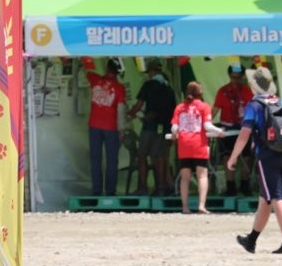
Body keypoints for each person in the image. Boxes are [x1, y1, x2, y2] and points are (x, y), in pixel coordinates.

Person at [227, 66, 282, 254]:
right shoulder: (279, 102)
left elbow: (244, 134)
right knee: (265, 199)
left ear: (253, 85)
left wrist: (233, 157)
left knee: (275, 197)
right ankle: (251, 240)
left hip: (267, 155)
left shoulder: (255, 105)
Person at [171, 81, 223, 214]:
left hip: (183, 145)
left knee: (185, 177)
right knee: (202, 176)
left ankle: (185, 207)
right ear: (200, 93)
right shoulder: (204, 107)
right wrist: (219, 131)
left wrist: (173, 135)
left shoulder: (179, 108)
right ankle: (201, 205)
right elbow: (207, 126)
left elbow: (174, 128)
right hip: (198, 144)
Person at [127, 58, 177, 196]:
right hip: (163, 128)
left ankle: (142, 188)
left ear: (152, 71)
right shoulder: (169, 88)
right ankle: (161, 187)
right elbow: (174, 110)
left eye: (149, 72)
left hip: (149, 126)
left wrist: (130, 113)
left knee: (142, 155)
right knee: (160, 157)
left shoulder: (148, 85)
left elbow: (138, 105)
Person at [86, 58, 127, 196]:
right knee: (112, 160)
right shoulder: (120, 88)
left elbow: (87, 71)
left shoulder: (95, 80)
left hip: (94, 126)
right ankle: (110, 191)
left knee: (95, 159)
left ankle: (96, 190)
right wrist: (122, 129)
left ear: (106, 68)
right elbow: (121, 110)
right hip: (111, 127)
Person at [213, 63, 254, 196]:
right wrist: (204, 122)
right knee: (227, 156)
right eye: (233, 77)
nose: (235, 80)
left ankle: (245, 185)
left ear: (242, 77)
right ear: (229, 76)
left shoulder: (247, 91)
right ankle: (230, 186)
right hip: (227, 127)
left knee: (247, 157)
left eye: (238, 77)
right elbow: (215, 110)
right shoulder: (222, 91)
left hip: (244, 127)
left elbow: (253, 109)